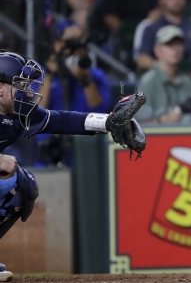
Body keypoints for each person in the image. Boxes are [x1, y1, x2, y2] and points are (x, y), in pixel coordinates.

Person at [0, 51, 145, 281]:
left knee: (22, 186)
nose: (28, 92)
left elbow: (62, 120)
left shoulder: (19, 113)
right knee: (7, 176)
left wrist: (107, 122)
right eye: (20, 85)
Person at [35, 22, 112, 166]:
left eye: (80, 43)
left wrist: (86, 80)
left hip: (85, 151)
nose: (77, 49)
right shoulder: (42, 76)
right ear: (58, 45)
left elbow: (100, 112)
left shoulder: (95, 76)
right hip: (50, 153)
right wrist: (50, 74)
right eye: (71, 43)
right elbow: (35, 113)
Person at [134, 26, 191, 124]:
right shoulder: (148, 82)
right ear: (157, 50)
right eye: (169, 44)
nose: (175, 49)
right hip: (156, 138)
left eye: (178, 44)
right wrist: (162, 120)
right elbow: (136, 125)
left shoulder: (189, 83)